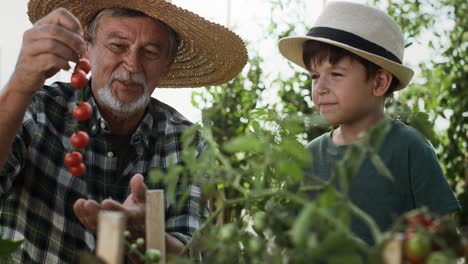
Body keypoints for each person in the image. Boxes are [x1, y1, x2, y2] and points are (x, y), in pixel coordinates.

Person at [0, 0, 247, 263]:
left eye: (150, 52)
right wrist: (20, 84)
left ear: (168, 62)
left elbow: (194, 254)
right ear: (87, 45)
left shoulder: (187, 144)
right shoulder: (34, 110)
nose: (132, 65)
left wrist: (150, 238)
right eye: (118, 46)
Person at [278, 1, 460, 245]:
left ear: (379, 83)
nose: (320, 88)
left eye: (336, 74)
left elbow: (444, 238)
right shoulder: (310, 156)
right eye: (314, 76)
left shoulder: (409, 149)